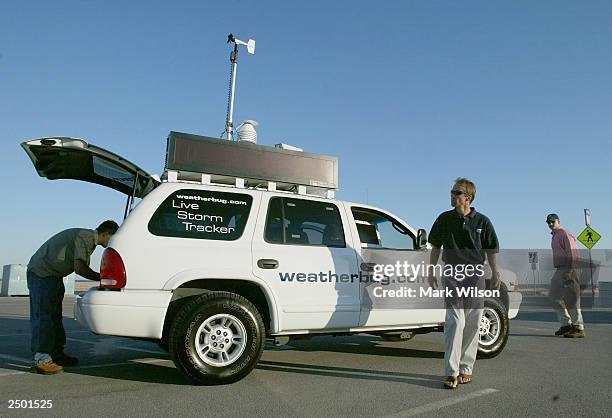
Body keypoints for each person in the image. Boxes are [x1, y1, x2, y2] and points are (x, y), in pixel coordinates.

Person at [428, 178, 500, 389]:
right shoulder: (444, 219)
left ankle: (465, 369)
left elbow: (491, 249)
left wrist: (495, 273)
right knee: (454, 321)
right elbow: (435, 247)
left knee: (473, 321)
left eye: (457, 192)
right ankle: (451, 372)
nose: (452, 195)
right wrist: (431, 271)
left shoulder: (482, 222)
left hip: (475, 274)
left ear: (468, 197)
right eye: (452, 192)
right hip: (451, 272)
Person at [27, 220, 119, 374]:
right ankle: (41, 359)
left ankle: (56, 354)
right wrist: (104, 278)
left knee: (54, 317)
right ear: (105, 233)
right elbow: (80, 268)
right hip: (42, 274)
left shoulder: (88, 240)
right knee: (44, 317)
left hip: (53, 276)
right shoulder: (86, 237)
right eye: (113, 238)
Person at [546, 213, 585, 338]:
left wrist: (569, 271)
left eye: (553, 221)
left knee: (572, 298)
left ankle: (578, 328)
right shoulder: (554, 236)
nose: (550, 224)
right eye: (548, 222)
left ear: (558, 221)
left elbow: (573, 254)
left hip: (570, 268)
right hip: (560, 269)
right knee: (553, 297)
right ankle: (566, 324)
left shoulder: (564, 234)